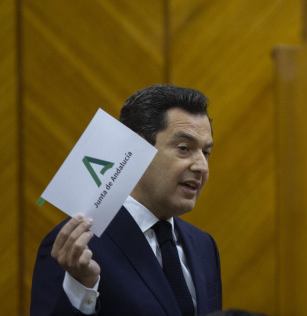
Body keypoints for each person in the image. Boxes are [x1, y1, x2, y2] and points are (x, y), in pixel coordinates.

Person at [31, 84, 222, 315]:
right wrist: (80, 288)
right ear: (137, 148)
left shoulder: (203, 245)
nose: (201, 166)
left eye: (206, 153)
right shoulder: (77, 246)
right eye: (184, 148)